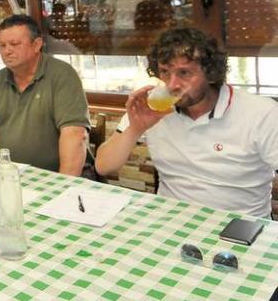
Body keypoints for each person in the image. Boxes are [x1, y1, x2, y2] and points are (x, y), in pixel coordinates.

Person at [95, 27, 278, 217]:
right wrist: (135, 128)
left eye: (184, 73)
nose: (172, 84)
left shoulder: (260, 113)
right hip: (171, 219)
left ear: (211, 72)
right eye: (165, 72)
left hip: (240, 224)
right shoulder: (152, 107)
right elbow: (104, 166)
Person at [0, 15, 89, 175]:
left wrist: (64, 185)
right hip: (9, 174)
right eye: (2, 45)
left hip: (54, 175)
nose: (7, 51)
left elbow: (75, 134)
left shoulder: (62, 75)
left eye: (14, 44)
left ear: (37, 44)